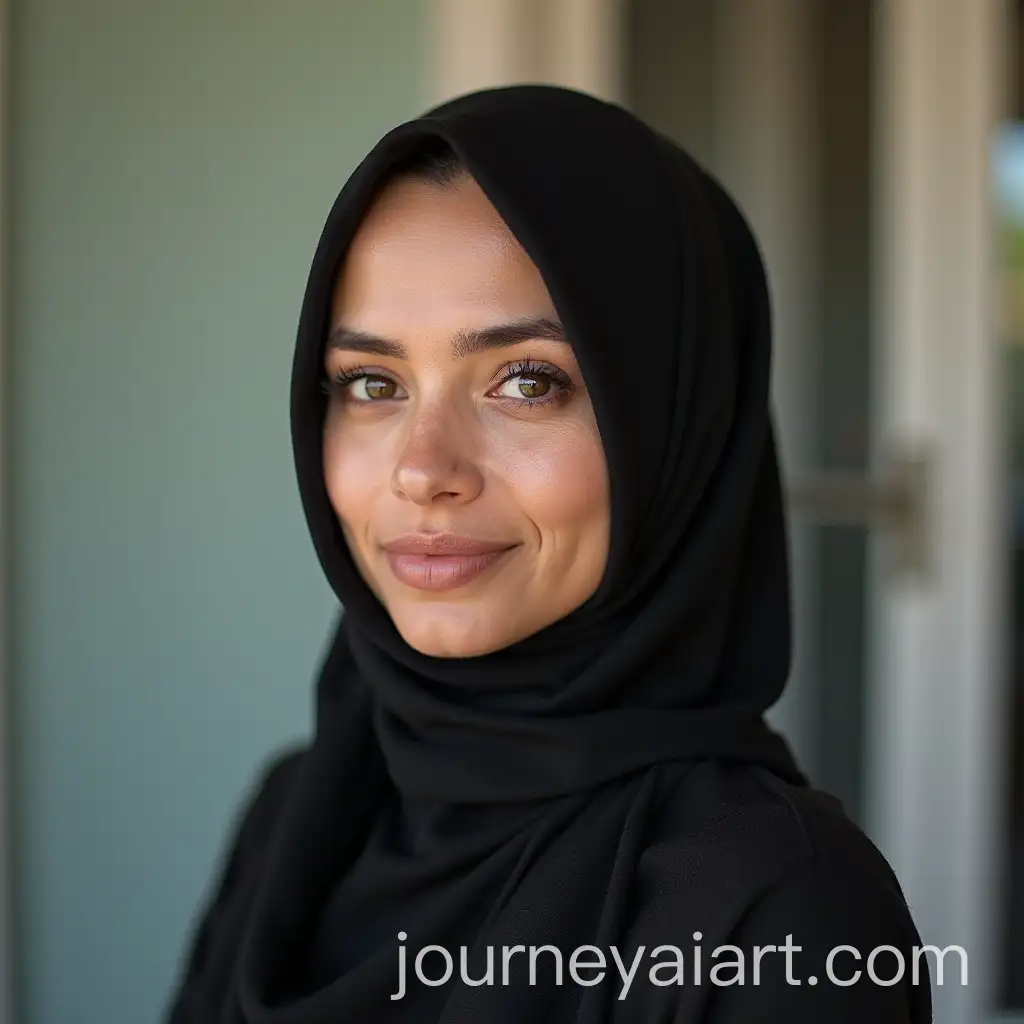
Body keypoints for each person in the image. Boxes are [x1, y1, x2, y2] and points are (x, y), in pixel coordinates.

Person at [165, 84, 933, 1022]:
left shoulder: (778, 907)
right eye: (371, 382)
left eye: (526, 382)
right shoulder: (299, 812)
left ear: (673, 430)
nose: (423, 470)